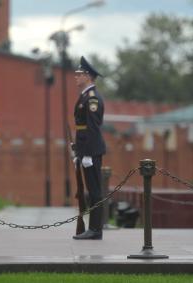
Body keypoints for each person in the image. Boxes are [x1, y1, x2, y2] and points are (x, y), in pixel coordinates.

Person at [72, 56, 106, 240]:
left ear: (88, 76)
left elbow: (92, 128)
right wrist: (78, 151)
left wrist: (88, 155)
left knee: (94, 191)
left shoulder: (92, 99)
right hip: (86, 150)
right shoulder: (85, 96)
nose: (76, 77)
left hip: (92, 152)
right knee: (91, 190)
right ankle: (93, 228)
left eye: (79, 74)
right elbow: (81, 128)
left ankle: (95, 229)